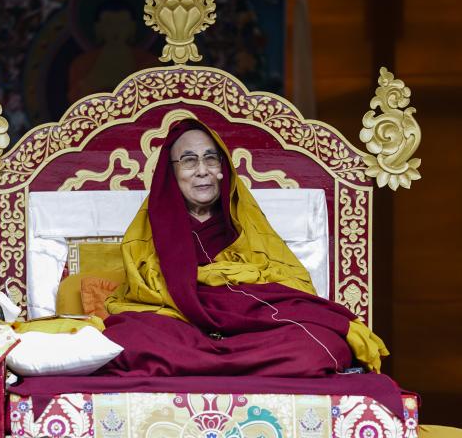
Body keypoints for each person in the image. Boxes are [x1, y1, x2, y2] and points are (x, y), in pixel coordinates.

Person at [100, 117, 388, 377]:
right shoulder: (149, 227)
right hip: (178, 325)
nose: (202, 171)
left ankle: (201, 366)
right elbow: (141, 290)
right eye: (189, 161)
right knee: (124, 339)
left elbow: (291, 285)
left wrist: (229, 282)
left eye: (211, 160)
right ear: (170, 173)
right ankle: (233, 366)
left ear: (223, 169)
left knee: (319, 344)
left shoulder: (246, 220)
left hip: (249, 329)